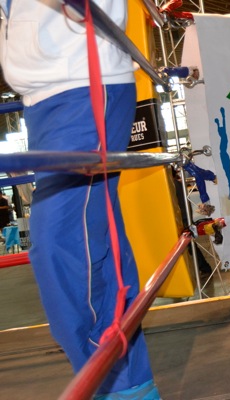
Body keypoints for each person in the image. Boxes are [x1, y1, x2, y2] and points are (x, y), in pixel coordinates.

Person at [0, 1, 159, 398]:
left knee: (60, 243)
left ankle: (105, 382)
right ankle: (128, 384)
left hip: (84, 82)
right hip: (43, 98)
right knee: (93, 240)